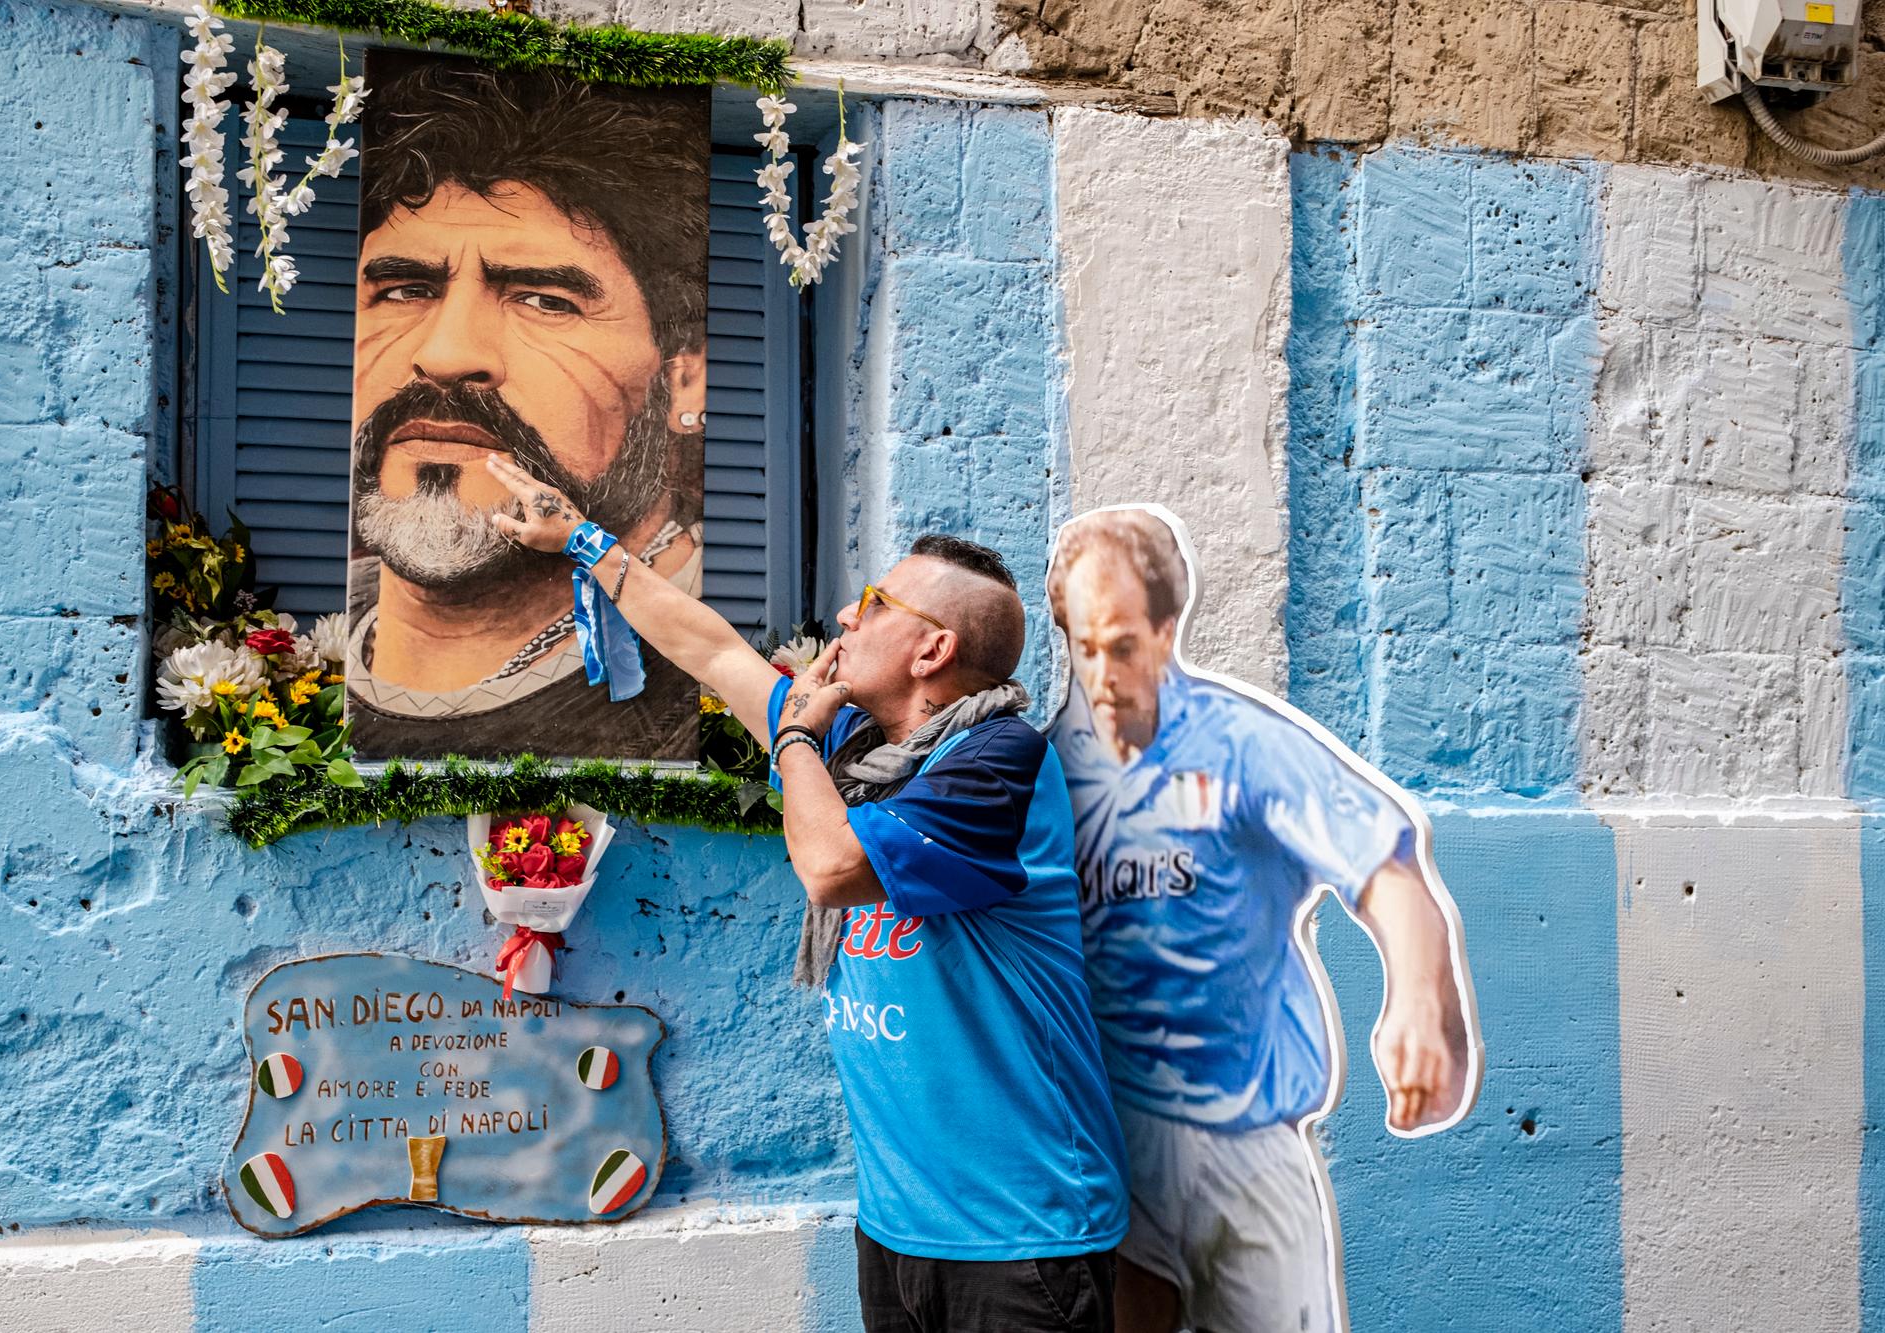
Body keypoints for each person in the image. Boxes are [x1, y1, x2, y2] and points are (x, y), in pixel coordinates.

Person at [484, 452, 1129, 1332]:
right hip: (902, 1229)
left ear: (932, 648)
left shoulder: (997, 759)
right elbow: (711, 649)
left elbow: (829, 868)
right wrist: (582, 539)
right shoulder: (857, 750)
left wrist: (794, 736)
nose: (844, 617)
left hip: (1022, 1239)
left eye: (874, 605)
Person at [1046, 506, 1479, 1333]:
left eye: (1124, 647)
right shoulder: (1043, 771)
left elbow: (1388, 871)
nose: (1102, 676)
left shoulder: (1242, 747)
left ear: (1167, 631)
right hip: (1109, 1143)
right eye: (1085, 648)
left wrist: (1419, 998)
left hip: (1244, 1145)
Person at [344, 53, 710, 761]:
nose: (446, 355)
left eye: (545, 300)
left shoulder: (716, 675)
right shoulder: (296, 652)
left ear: (683, 382)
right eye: (404, 289)